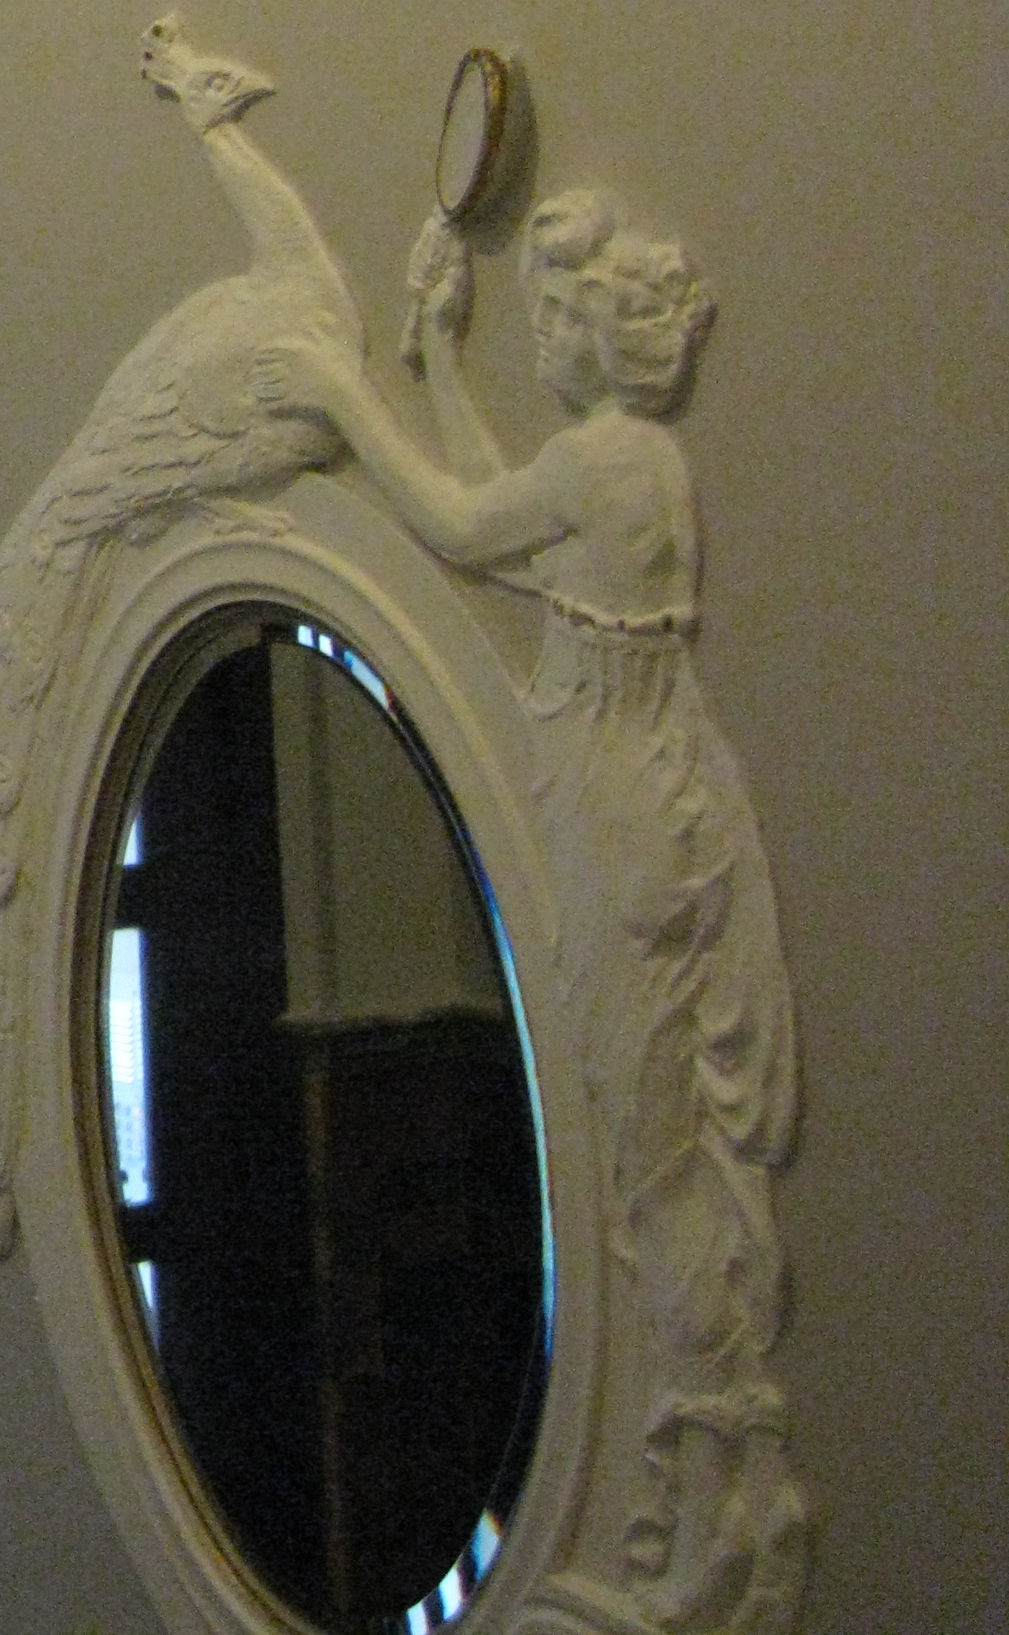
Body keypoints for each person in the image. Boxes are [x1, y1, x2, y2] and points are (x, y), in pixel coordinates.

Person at [259, 190, 809, 1629]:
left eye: (557, 315)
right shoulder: (630, 466)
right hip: (656, 795)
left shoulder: (600, 464)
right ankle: (710, 1485)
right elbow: (505, 543)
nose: (543, 334)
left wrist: (344, 395)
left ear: (602, 336)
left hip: (622, 813)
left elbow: (454, 519)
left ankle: (718, 1493)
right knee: (661, 1155)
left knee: (650, 1162)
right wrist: (439, 360)